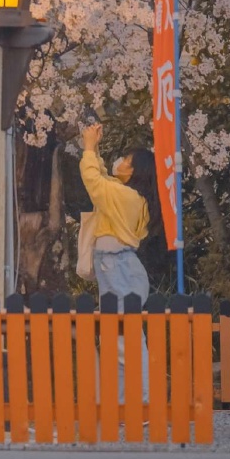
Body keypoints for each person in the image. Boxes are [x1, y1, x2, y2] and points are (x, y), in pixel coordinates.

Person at [79, 122, 156, 403]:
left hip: (116, 267)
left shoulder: (125, 197)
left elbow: (94, 183)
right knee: (119, 338)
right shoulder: (132, 196)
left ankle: (143, 402)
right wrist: (95, 148)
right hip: (120, 266)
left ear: (134, 171)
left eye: (126, 160)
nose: (120, 162)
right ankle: (125, 404)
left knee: (126, 339)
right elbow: (102, 179)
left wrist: (88, 148)